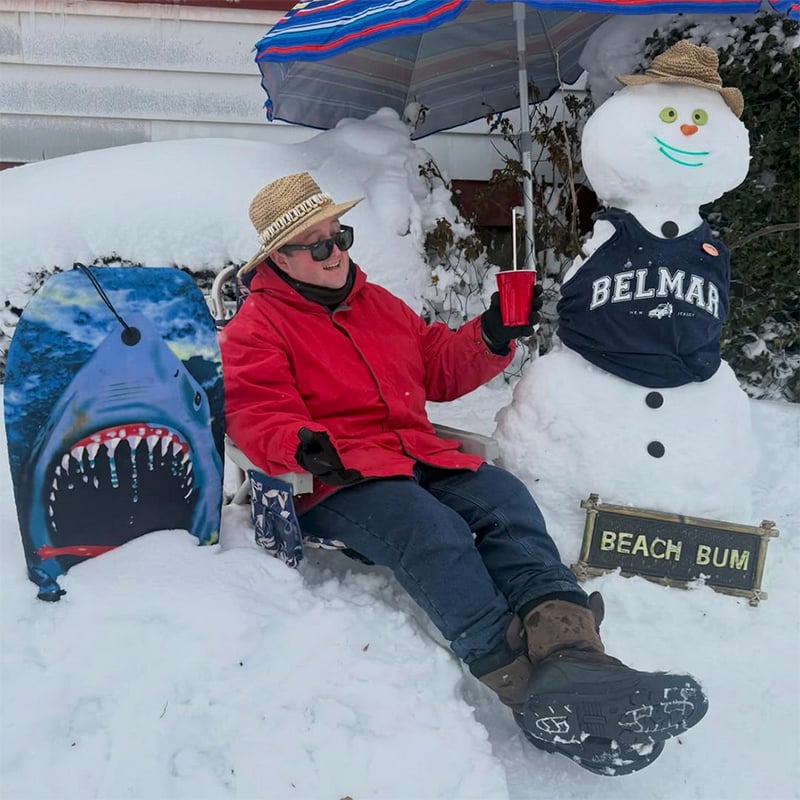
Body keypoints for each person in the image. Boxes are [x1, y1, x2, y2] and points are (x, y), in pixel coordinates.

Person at [220, 172, 708, 776]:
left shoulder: (379, 306)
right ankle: (531, 693)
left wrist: (494, 332)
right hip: (336, 476)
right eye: (318, 245)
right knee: (433, 532)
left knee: (505, 501)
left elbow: (440, 367)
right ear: (279, 258)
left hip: (414, 454)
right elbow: (252, 410)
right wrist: (299, 443)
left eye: (340, 235)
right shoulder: (258, 326)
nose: (337, 252)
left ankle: (579, 658)